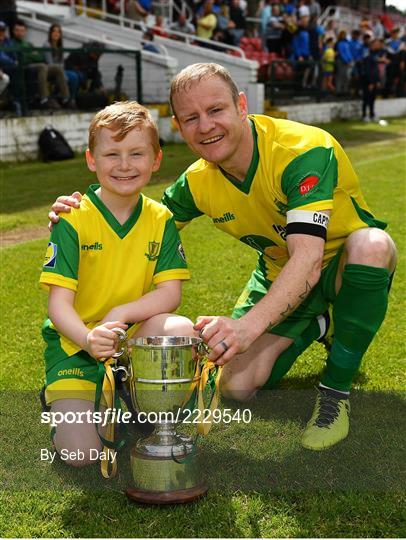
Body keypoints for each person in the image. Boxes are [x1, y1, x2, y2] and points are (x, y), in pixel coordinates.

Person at [48, 63, 397, 452]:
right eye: (191, 118)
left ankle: (335, 394)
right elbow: (137, 224)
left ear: (241, 105)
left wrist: (246, 327)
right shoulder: (197, 181)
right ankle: (321, 323)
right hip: (280, 276)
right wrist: (80, 210)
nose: (206, 126)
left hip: (336, 267)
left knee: (373, 246)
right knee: (235, 386)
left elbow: (309, 259)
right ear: (179, 128)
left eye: (215, 110)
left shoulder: (302, 150)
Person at [40, 101, 192, 467]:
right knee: (82, 455)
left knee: (182, 328)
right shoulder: (73, 219)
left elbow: (170, 294)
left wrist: (121, 314)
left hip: (129, 340)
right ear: (92, 159)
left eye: (137, 154)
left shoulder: (161, 219)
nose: (125, 165)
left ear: (156, 159)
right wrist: (89, 339)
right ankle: (68, 404)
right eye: (113, 154)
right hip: (76, 346)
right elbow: (58, 307)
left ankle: (130, 393)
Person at [10, 19, 69, 110]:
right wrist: (31, 56)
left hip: (36, 66)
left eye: (22, 30)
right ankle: (44, 98)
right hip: (24, 68)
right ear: (13, 31)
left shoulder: (28, 44)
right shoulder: (11, 43)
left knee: (57, 68)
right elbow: (20, 58)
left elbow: (40, 57)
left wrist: (28, 56)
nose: (19, 33)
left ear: (25, 32)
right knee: (42, 66)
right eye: (17, 30)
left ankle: (66, 98)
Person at [43, 23, 80, 108]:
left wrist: (61, 69)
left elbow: (62, 63)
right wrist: (61, 69)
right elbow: (49, 63)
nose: (56, 33)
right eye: (54, 31)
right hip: (50, 70)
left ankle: (71, 99)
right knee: (65, 76)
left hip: (60, 69)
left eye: (58, 32)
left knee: (74, 76)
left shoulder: (60, 46)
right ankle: (63, 99)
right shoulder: (47, 45)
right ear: (50, 33)